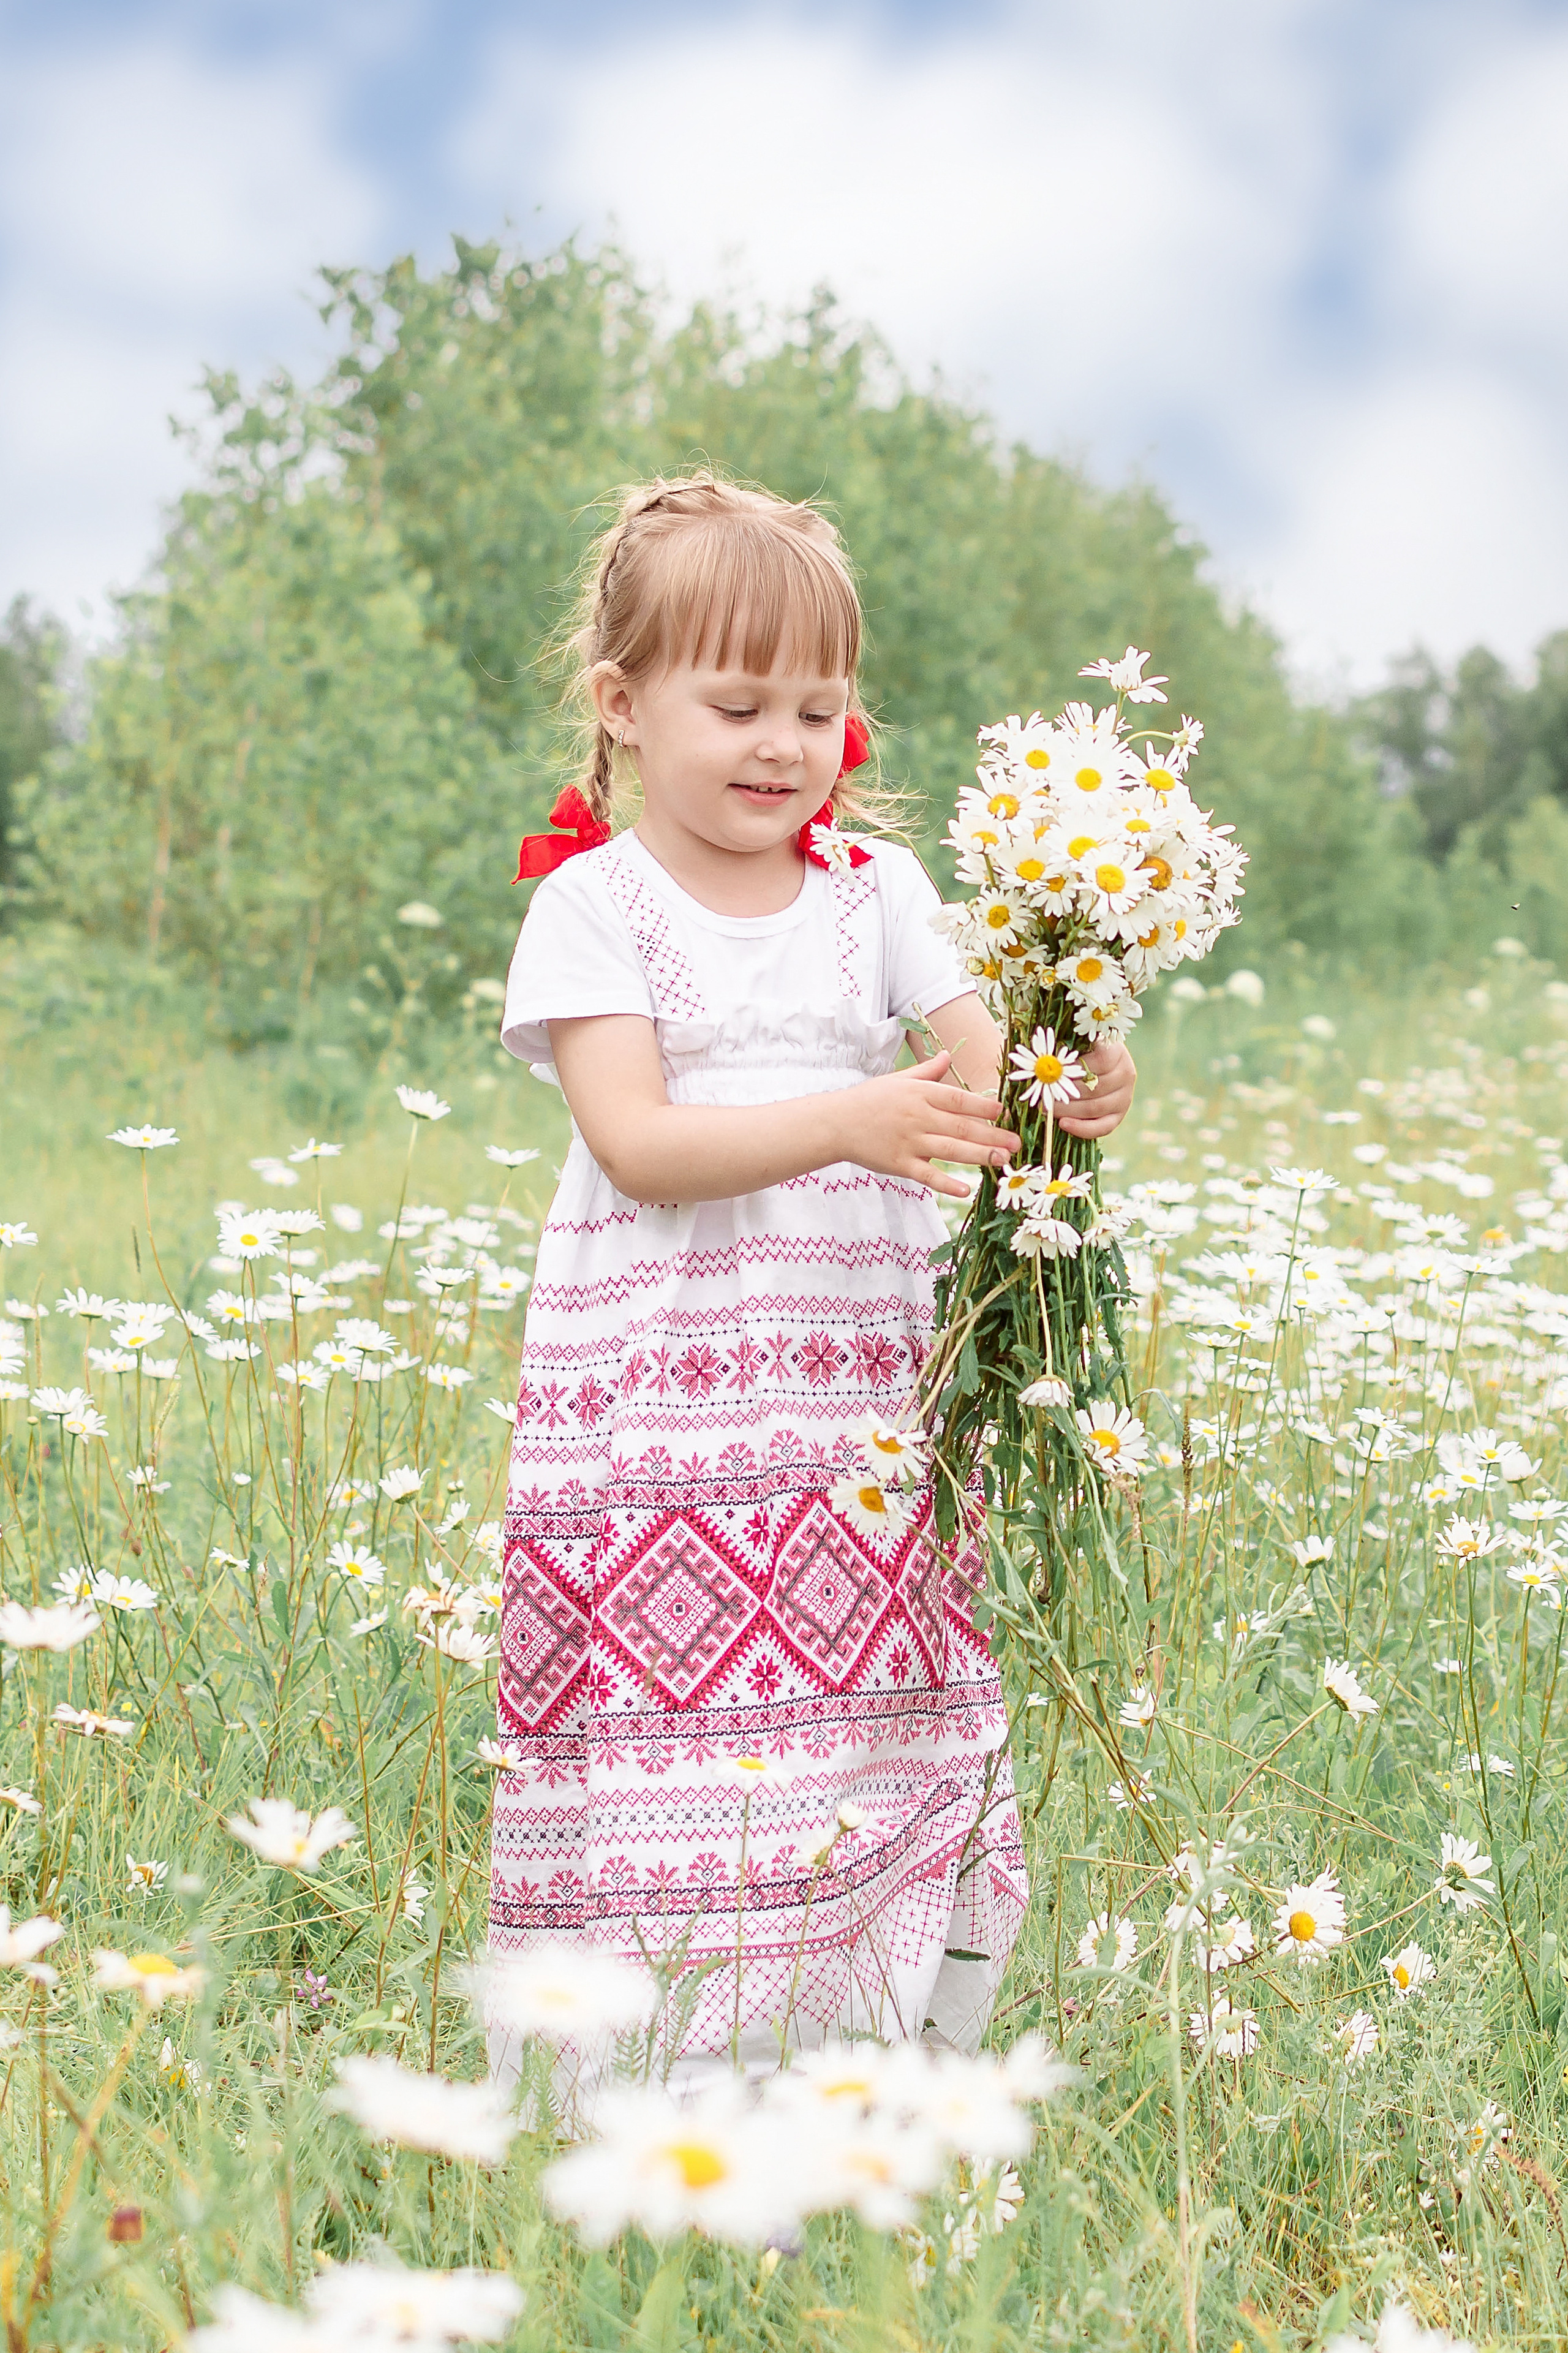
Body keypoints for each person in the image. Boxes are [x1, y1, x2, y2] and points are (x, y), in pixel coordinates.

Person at [489, 474, 1136, 2099]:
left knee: (883, 1705)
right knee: (693, 1713)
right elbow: (636, 1142)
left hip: (863, 1405)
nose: (784, 741)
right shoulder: (598, 907)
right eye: (739, 702)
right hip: (677, 1417)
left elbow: (997, 1083)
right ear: (624, 706)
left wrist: (1073, 1075)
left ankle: (899, 2068)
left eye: (820, 705)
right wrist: (852, 1116)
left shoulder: (878, 895)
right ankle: (662, 2079)